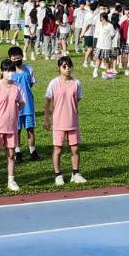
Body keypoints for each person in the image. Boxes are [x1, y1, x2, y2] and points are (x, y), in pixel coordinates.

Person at [0, 60, 25, 192]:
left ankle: (11, 180)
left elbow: (22, 103)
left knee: (11, 155)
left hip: (12, 126)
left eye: (12, 70)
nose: (9, 73)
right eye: (6, 70)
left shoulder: (17, 87)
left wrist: (14, 111)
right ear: (1, 71)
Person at [44, 56, 86, 185]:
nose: (67, 69)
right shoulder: (54, 83)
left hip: (72, 122)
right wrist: (46, 119)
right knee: (58, 149)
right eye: (64, 66)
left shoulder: (76, 83)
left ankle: (75, 173)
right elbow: (47, 101)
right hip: (58, 122)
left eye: (69, 66)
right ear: (59, 68)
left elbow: (76, 100)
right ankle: (58, 175)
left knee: (75, 149)